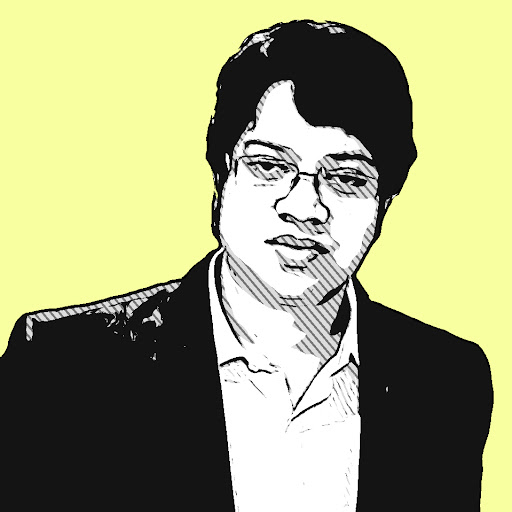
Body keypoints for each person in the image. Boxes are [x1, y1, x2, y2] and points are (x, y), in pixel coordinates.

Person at [2, 20, 492, 511]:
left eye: (346, 178)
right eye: (269, 166)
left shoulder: (446, 382)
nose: (305, 207)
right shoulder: (63, 366)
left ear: (384, 202)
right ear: (221, 175)